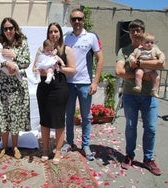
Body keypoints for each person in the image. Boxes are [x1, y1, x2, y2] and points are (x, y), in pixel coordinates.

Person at [115, 19, 165, 176]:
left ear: (143, 32)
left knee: (150, 128)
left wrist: (140, 62)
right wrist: (141, 76)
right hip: (131, 94)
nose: (135, 33)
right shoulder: (124, 50)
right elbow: (119, 71)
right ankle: (129, 155)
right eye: (132, 31)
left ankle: (148, 159)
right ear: (129, 34)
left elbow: (161, 64)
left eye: (138, 30)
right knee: (130, 126)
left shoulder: (152, 47)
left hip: (149, 95)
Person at [0, 17, 31, 159]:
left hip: (16, 86)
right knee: (3, 115)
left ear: (15, 29)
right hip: (1, 86)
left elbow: (27, 62)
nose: (8, 31)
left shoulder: (22, 43)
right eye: (5, 28)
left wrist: (15, 56)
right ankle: (4, 147)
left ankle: (15, 147)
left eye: (10, 28)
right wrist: (5, 63)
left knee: (15, 116)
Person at [33, 23, 76, 164]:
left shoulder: (66, 49)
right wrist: (41, 70)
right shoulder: (41, 49)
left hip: (59, 89)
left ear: (60, 33)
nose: (53, 34)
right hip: (44, 89)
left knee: (58, 120)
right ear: (48, 34)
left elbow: (72, 70)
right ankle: (45, 150)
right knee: (44, 120)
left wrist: (59, 68)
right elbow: (34, 66)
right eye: (51, 31)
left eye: (56, 31)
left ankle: (57, 151)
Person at [64, 8, 104, 161]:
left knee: (86, 117)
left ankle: (86, 145)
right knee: (69, 115)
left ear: (83, 20)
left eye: (79, 19)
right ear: (70, 21)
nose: (77, 22)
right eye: (74, 19)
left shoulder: (91, 37)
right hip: (69, 83)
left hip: (85, 84)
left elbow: (100, 59)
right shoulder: (67, 38)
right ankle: (69, 142)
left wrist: (95, 82)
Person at [129, 32, 165, 98]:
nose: (149, 44)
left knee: (157, 77)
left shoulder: (154, 49)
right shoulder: (138, 50)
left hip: (151, 69)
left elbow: (161, 54)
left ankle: (154, 90)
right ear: (142, 43)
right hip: (141, 68)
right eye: (147, 42)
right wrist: (132, 60)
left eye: (152, 42)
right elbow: (131, 55)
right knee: (138, 73)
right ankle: (138, 86)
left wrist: (161, 60)